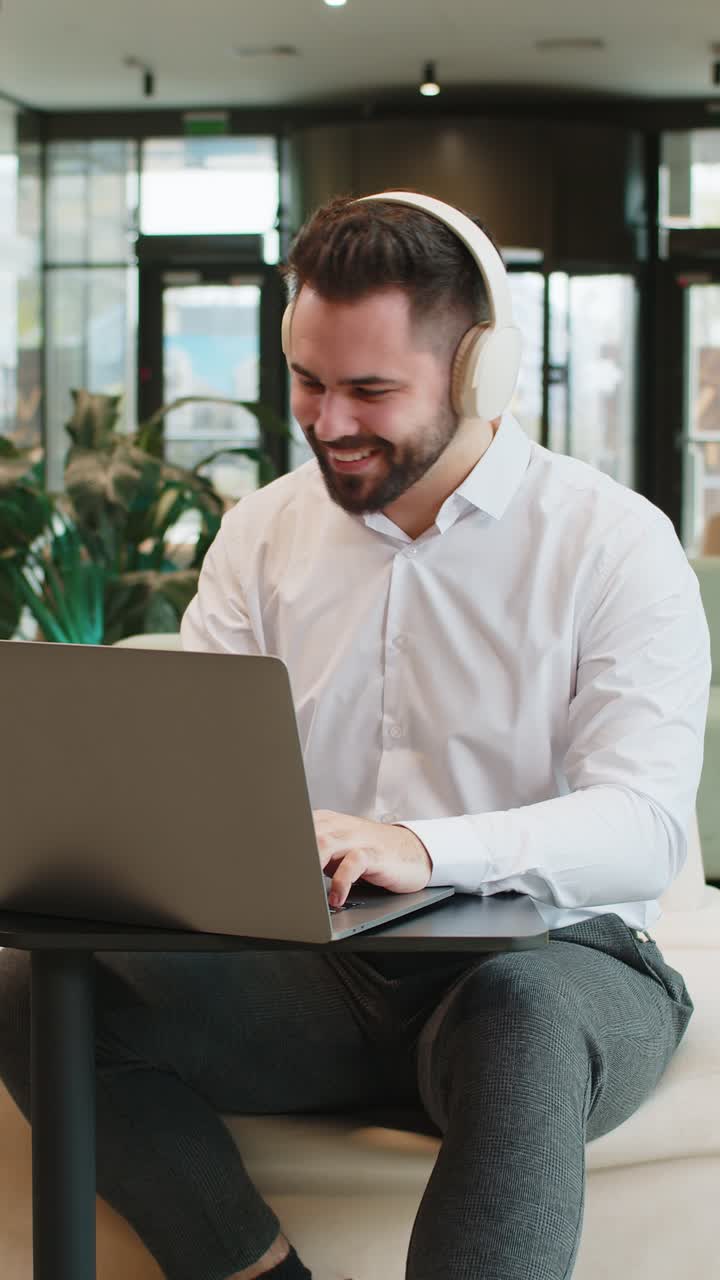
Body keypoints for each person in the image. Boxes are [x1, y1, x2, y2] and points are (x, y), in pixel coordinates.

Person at [0, 191, 712, 1280]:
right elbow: (192, 781)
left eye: (371, 391)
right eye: (308, 381)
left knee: (518, 1013)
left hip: (557, 960)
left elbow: (647, 828)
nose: (330, 422)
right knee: (28, 992)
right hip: (318, 970)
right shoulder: (262, 533)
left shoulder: (613, 543)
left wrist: (424, 846)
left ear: (478, 374)